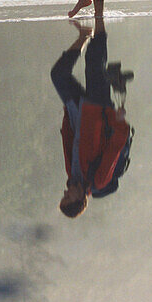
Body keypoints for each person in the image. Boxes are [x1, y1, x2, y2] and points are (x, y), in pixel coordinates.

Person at [50, 19, 133, 218]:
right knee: (94, 65)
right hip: (98, 112)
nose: (65, 192)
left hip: (77, 112)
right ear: (79, 200)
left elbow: (71, 142)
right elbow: (115, 147)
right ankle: (99, 18)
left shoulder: (72, 176)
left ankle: (85, 35)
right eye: (68, 197)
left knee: (59, 75)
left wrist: (66, 118)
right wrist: (120, 121)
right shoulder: (98, 180)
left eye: (64, 196)